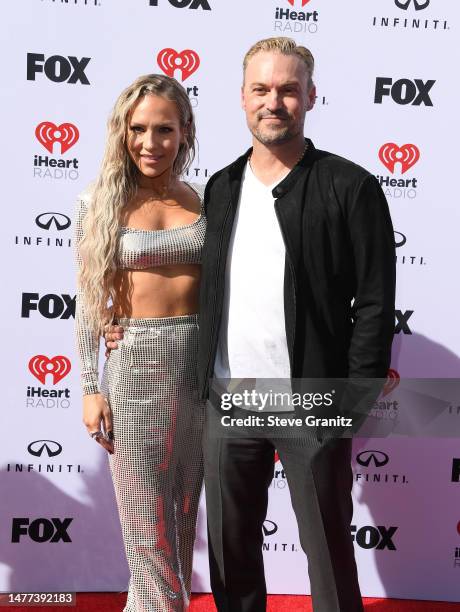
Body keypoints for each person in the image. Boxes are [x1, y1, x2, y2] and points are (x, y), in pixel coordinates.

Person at [106, 37, 395, 612]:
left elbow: (376, 301)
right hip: (228, 397)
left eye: (289, 89)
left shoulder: (351, 186)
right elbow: (190, 279)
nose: (275, 102)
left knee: (329, 553)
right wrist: (125, 324)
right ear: (241, 98)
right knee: (232, 558)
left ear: (311, 95)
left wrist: (353, 396)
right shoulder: (222, 188)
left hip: (311, 397)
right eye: (261, 89)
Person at [75, 73, 205, 612]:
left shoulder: (206, 196)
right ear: (122, 132)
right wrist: (89, 384)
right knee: (142, 521)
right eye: (138, 129)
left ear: (184, 132)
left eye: (164, 130)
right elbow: (88, 300)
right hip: (133, 365)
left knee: (181, 511)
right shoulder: (100, 201)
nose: (150, 143)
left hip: (199, 365)